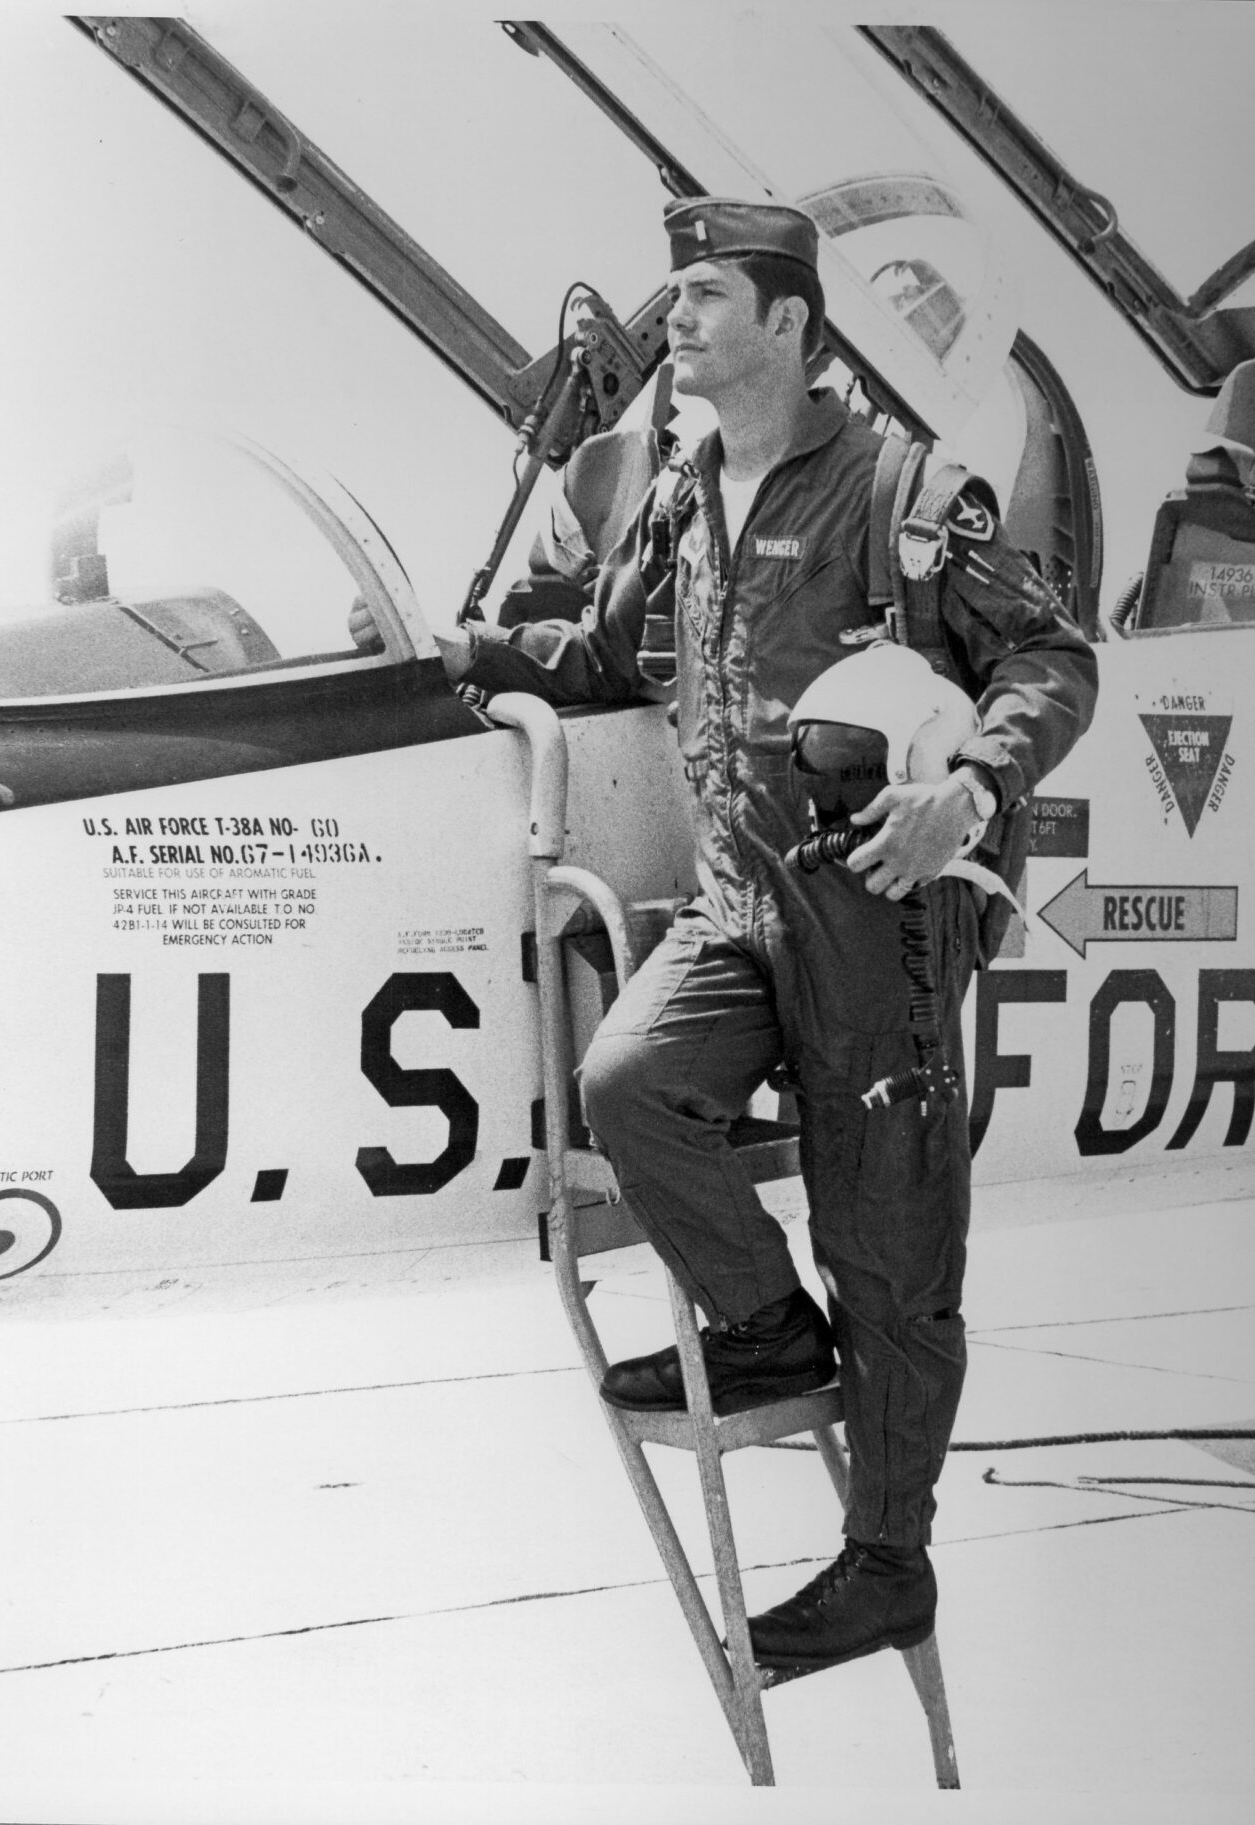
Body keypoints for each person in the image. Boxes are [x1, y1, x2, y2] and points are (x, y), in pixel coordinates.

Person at [358, 198, 1098, 1676]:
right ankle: (762, 1327)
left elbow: (1052, 656)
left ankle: (890, 1561)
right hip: (736, 908)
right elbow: (614, 646)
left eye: (701, 295)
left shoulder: (903, 486)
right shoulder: (689, 490)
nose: (674, 320)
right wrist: (468, 654)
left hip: (871, 922)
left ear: (790, 325)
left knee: (889, 1258)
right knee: (630, 1085)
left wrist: (973, 785)